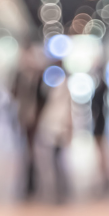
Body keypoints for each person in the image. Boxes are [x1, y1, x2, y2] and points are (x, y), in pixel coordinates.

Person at [11, 47, 46, 200]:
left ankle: (34, 180)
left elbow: (42, 98)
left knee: (33, 150)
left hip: (34, 117)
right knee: (25, 150)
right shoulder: (19, 76)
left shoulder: (40, 77)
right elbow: (14, 93)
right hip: (23, 115)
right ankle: (27, 180)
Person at [37, 62, 73, 203]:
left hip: (59, 128)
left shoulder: (64, 91)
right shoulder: (51, 89)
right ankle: (55, 190)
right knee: (52, 161)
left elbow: (68, 111)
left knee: (58, 161)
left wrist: (69, 128)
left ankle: (61, 190)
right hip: (51, 127)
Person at [89, 70, 109, 195]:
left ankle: (105, 175)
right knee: (101, 151)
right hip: (99, 122)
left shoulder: (101, 90)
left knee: (101, 151)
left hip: (99, 124)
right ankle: (104, 175)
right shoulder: (102, 90)